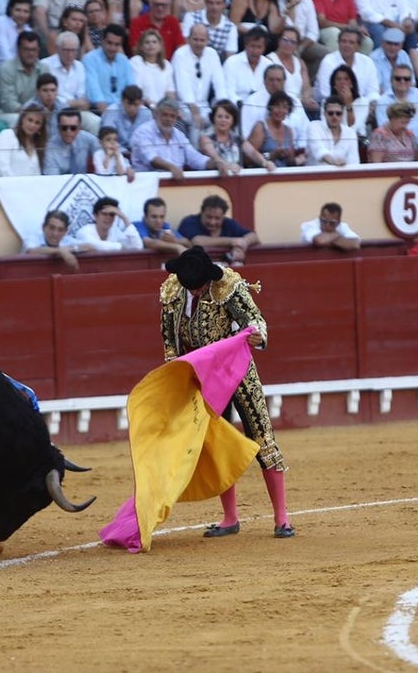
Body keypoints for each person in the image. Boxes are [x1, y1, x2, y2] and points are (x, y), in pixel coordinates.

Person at [158, 245, 294, 539]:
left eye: (199, 287)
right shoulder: (174, 289)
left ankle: (282, 519)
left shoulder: (227, 286)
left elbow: (255, 319)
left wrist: (258, 335)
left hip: (237, 371)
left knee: (262, 437)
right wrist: (175, 371)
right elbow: (169, 338)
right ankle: (230, 517)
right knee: (218, 443)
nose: (194, 293)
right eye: (189, 287)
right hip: (203, 376)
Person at [129, 96, 210, 178]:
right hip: (147, 184)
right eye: (165, 115)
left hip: (174, 185)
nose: (168, 119)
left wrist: (216, 163)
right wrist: (171, 167)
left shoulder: (179, 135)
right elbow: (151, 159)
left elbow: (196, 159)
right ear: (156, 114)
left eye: (172, 116)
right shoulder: (143, 132)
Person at [177, 194, 260, 265]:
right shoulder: (189, 221)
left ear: (223, 216)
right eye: (209, 217)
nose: (212, 222)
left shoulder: (229, 223)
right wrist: (234, 241)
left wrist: (241, 244)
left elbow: (253, 236)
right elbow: (197, 241)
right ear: (201, 212)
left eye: (217, 218)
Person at [0, 105, 45, 177]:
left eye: (37, 123)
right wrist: (16, 185)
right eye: (30, 120)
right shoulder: (7, 135)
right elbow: (1, 167)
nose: (32, 125)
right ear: (22, 119)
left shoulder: (36, 146)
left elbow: (36, 175)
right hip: (0, 185)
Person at [74, 196, 145, 251]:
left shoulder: (115, 231)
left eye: (112, 214)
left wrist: (123, 217)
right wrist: (120, 247)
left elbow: (137, 246)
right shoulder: (84, 231)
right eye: (104, 214)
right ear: (95, 216)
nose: (108, 217)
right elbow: (94, 245)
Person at [43, 108, 101, 175]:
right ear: (58, 128)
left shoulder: (88, 139)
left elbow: (102, 152)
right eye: (64, 128)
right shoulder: (51, 147)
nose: (68, 131)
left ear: (79, 128)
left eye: (73, 128)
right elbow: (52, 178)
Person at [198, 99, 248, 175]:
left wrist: (265, 162)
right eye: (219, 116)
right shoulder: (205, 137)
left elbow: (252, 152)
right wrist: (229, 166)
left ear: (233, 120)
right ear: (213, 118)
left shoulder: (236, 136)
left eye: (227, 117)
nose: (223, 120)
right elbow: (216, 157)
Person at [307, 95, 360, 166]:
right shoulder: (314, 126)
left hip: (342, 175)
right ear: (324, 114)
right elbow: (319, 150)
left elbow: (354, 162)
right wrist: (334, 162)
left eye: (338, 113)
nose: (334, 116)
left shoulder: (351, 133)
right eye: (330, 113)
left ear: (342, 114)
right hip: (316, 175)